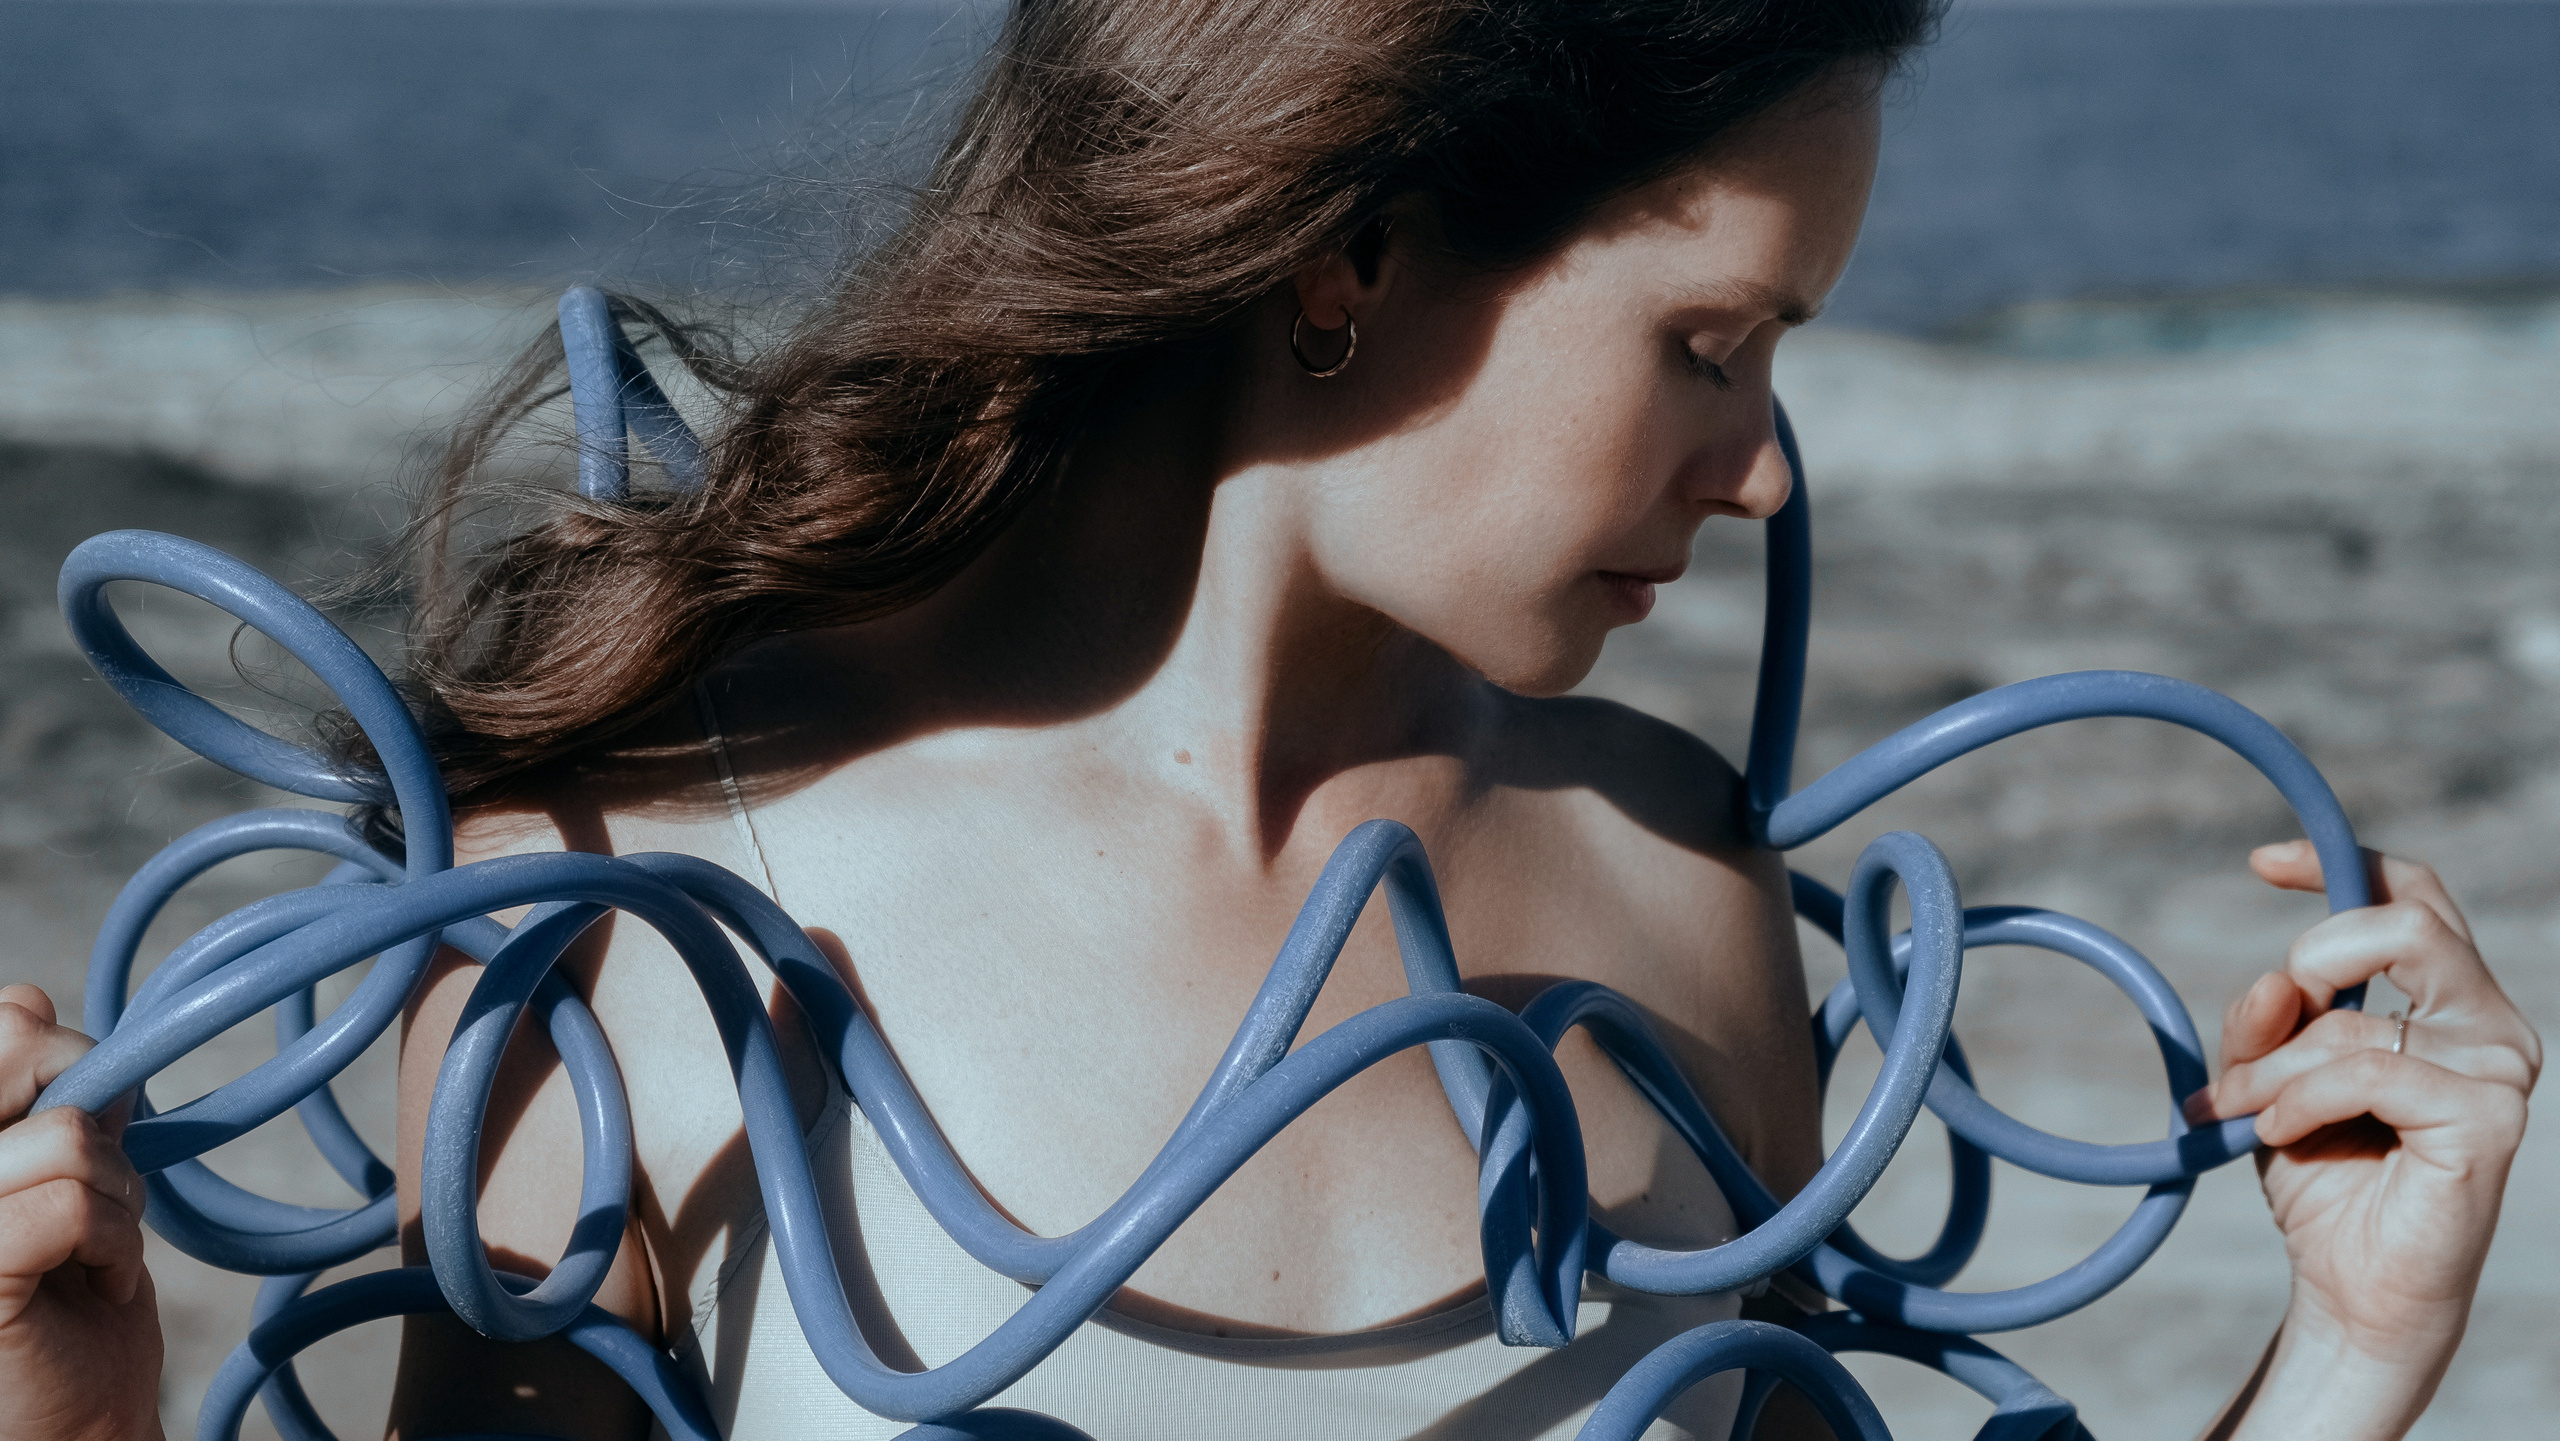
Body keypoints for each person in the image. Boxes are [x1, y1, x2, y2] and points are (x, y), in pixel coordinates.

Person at [0, 2, 2538, 1438]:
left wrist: (2350, 1343)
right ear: (1347, 254)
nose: (1760, 471)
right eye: (1707, 343)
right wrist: (70, 1401)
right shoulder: (631, 899)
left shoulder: (1681, 889)